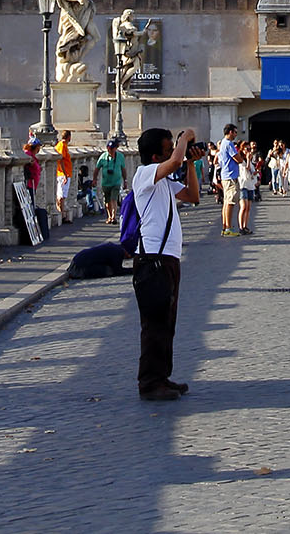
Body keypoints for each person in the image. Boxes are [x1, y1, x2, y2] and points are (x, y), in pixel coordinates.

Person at [131, 127, 200, 401]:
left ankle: (162, 376)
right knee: (154, 324)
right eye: (169, 147)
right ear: (155, 155)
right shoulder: (144, 174)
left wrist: (191, 164)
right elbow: (173, 162)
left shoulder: (165, 182)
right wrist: (184, 139)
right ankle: (148, 383)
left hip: (168, 259)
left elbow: (193, 196)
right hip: (152, 260)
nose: (175, 152)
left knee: (166, 323)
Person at [96, 136, 128, 223]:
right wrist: (94, 179)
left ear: (115, 148)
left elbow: (123, 169)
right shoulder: (103, 156)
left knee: (113, 199)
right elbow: (97, 168)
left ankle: (113, 217)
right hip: (106, 183)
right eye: (108, 148)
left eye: (111, 149)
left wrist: (125, 180)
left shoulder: (120, 156)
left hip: (116, 182)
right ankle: (109, 216)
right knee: (107, 201)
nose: (110, 150)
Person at [218, 124, 241, 237]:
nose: (236, 134)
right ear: (231, 132)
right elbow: (238, 158)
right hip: (231, 176)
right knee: (230, 202)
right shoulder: (229, 144)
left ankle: (224, 226)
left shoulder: (223, 143)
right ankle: (228, 227)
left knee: (226, 202)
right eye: (235, 132)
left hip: (225, 175)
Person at [236, 142, 259, 235]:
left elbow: (251, 171)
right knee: (243, 207)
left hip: (250, 185)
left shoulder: (251, 160)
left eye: (249, 149)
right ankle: (241, 227)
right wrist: (248, 160)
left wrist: (256, 172)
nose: (248, 151)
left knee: (248, 208)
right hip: (243, 185)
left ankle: (245, 226)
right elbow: (246, 168)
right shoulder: (241, 160)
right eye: (247, 149)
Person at [55, 130, 74, 222]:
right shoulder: (62, 145)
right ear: (69, 137)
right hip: (63, 173)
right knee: (62, 195)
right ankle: (61, 214)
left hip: (62, 173)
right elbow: (61, 160)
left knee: (61, 194)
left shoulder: (60, 145)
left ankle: (62, 213)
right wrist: (65, 174)